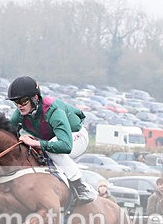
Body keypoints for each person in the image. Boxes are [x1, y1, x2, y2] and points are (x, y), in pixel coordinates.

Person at [7, 76, 96, 204]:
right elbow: (7, 136)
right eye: (16, 102)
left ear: (35, 98)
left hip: (75, 136)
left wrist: (36, 142)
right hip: (54, 138)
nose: (19, 106)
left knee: (52, 149)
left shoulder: (54, 111)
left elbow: (65, 146)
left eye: (23, 101)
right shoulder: (19, 115)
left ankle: (81, 186)